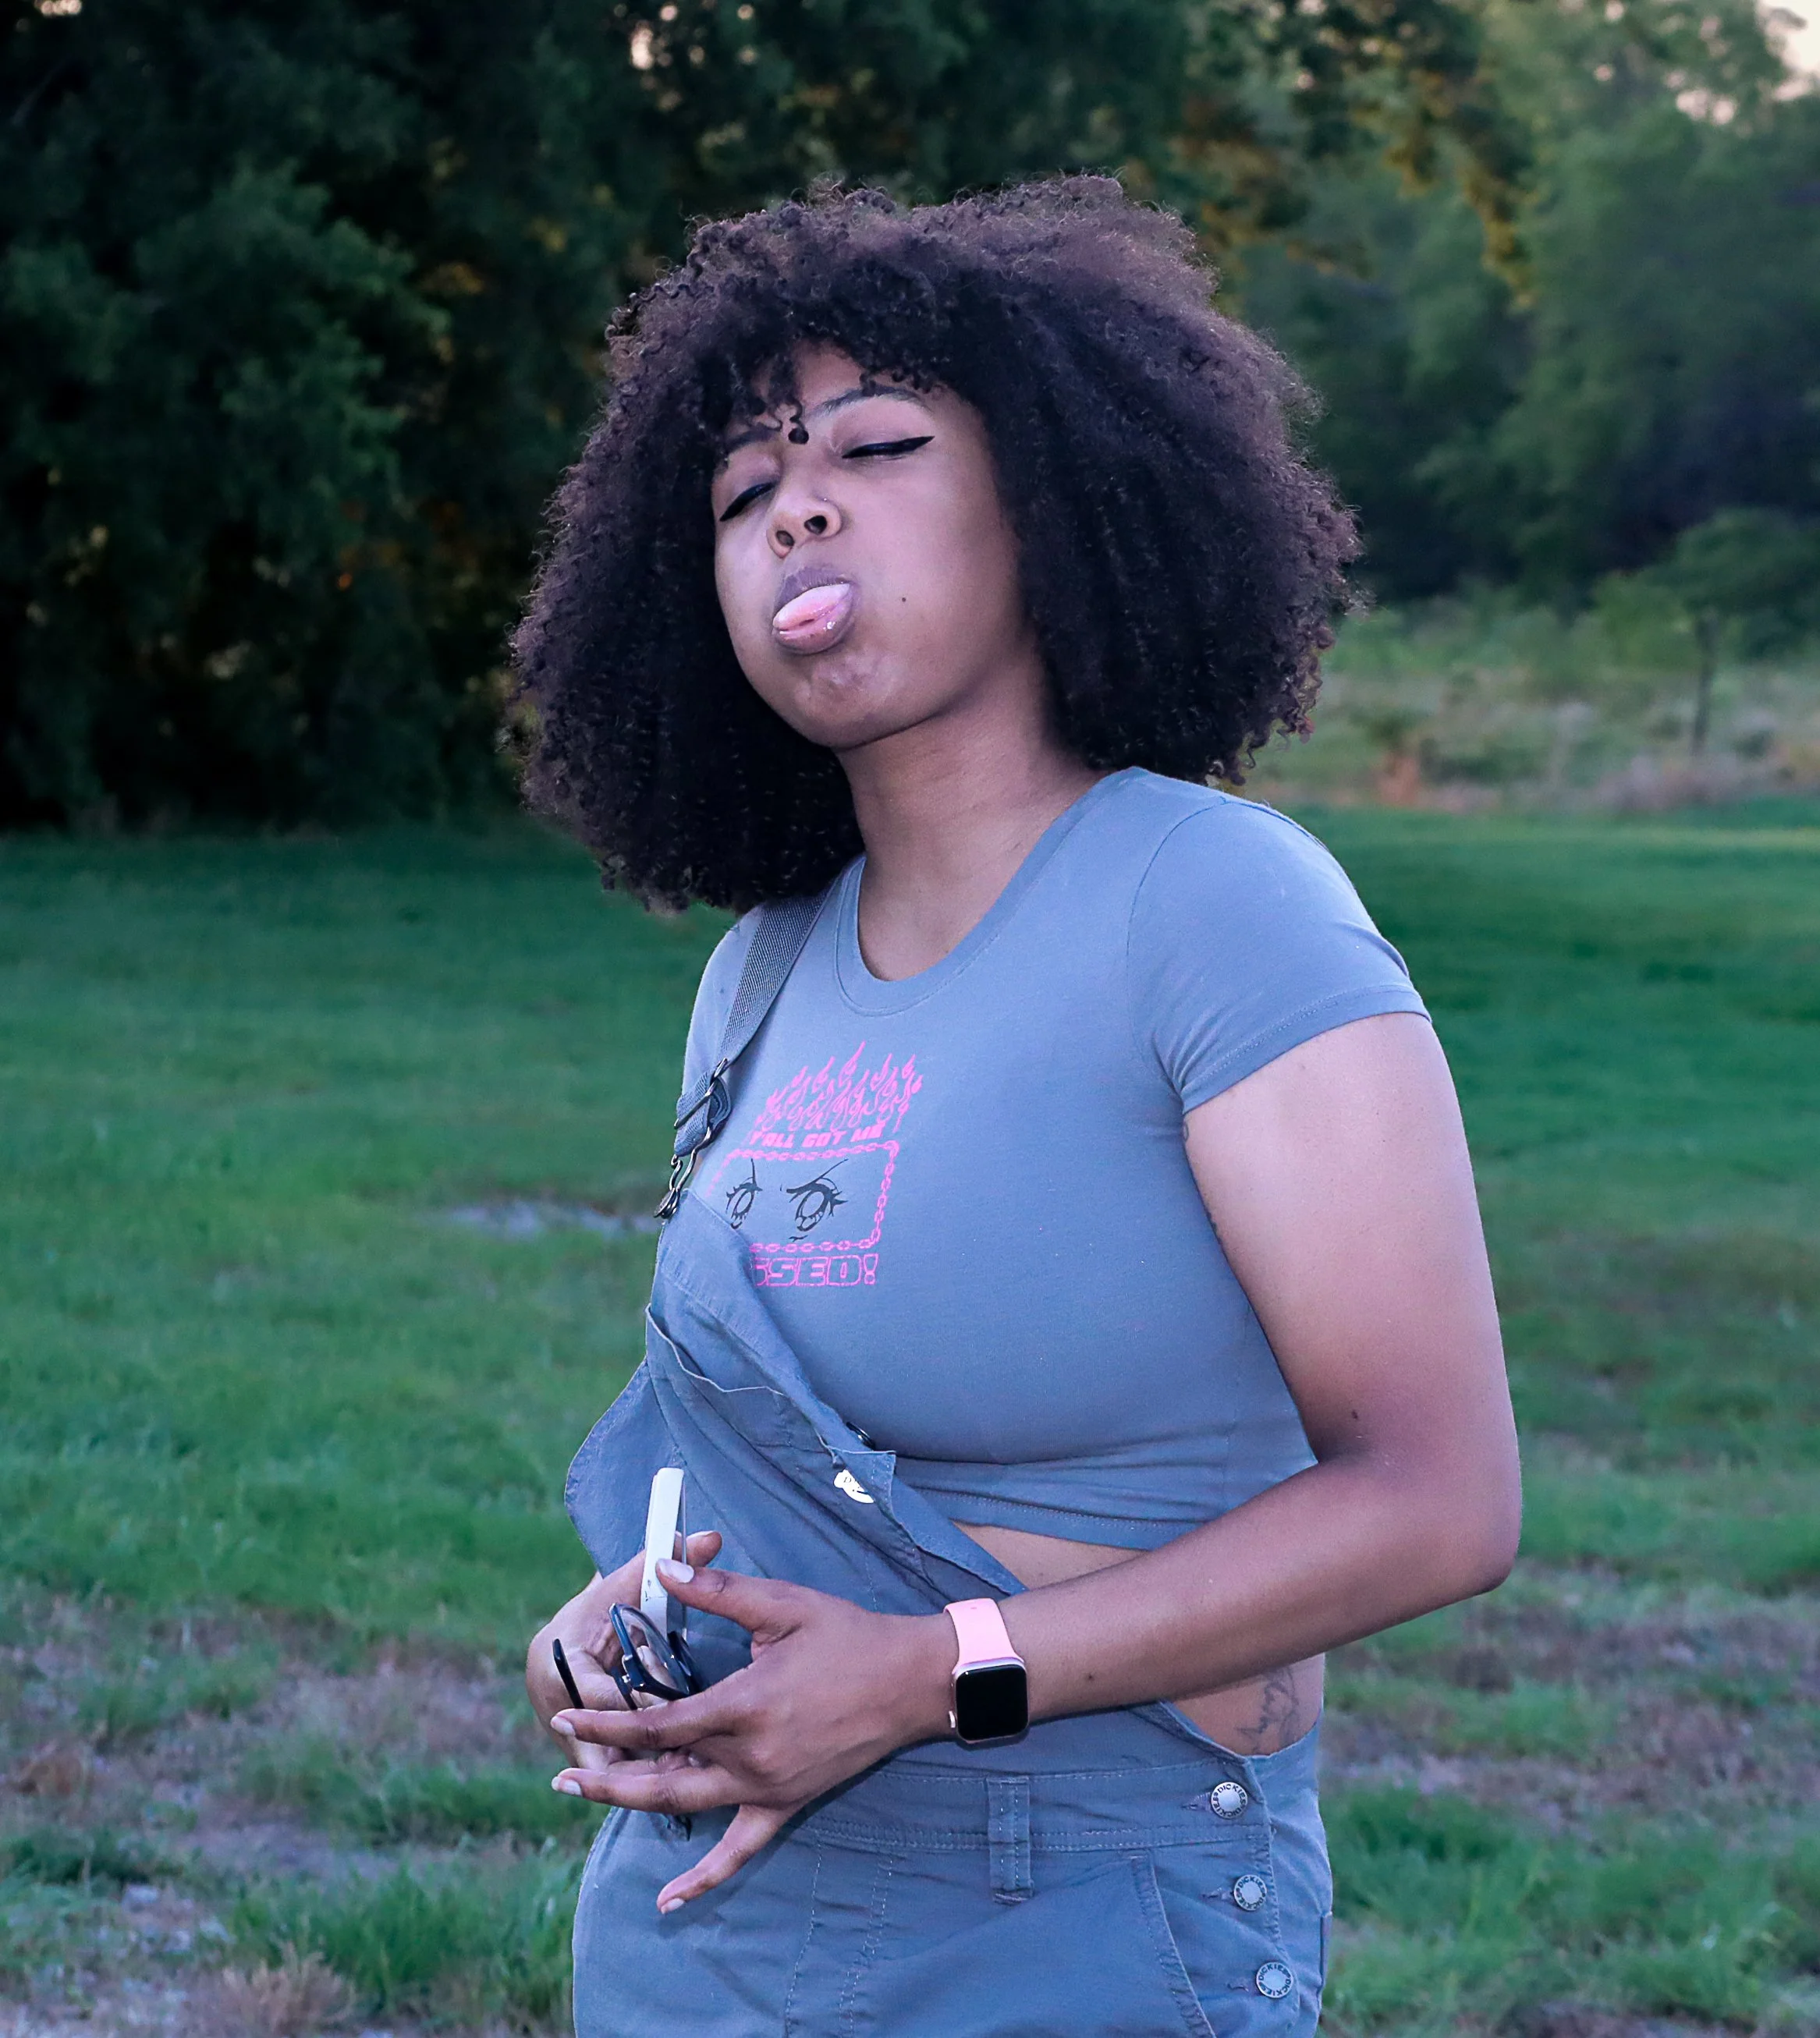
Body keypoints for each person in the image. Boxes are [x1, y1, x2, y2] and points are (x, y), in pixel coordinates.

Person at [514, 177, 1520, 2036]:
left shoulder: (1211, 904)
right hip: (699, 1930)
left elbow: (1439, 1500)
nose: (795, 503)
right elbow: (792, 1454)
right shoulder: (757, 974)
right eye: (741, 492)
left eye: (875, 445)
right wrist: (629, 1608)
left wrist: (928, 1674)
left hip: (1074, 1910)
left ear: (1053, 500)